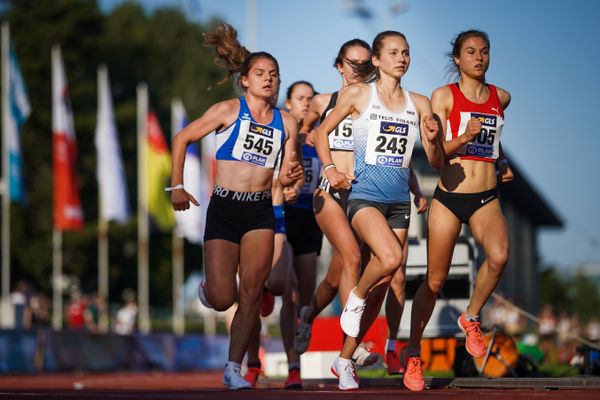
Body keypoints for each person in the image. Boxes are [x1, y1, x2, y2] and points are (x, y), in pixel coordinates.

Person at [170, 22, 302, 390]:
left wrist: (293, 176)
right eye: (260, 74)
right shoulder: (228, 110)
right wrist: (177, 186)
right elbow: (182, 138)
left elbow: (289, 171)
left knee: (252, 292)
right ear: (244, 80)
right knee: (223, 296)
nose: (268, 80)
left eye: (274, 75)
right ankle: (209, 289)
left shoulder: (286, 121)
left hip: (260, 211)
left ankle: (234, 367)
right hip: (225, 209)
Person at [313, 31, 442, 390]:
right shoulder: (358, 94)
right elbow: (322, 133)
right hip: (364, 196)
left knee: (387, 280)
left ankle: (344, 360)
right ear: (376, 59)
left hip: (399, 201)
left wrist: (433, 137)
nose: (402, 58)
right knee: (388, 260)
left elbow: (435, 160)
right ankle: (354, 299)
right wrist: (329, 170)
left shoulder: (419, 103)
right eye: (394, 52)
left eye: (407, 52)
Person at [404, 29, 513, 391]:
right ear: (457, 59)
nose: (479, 57)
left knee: (498, 257)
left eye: (484, 51)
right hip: (449, 196)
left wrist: (503, 161)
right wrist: (463, 137)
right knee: (434, 281)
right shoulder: (444, 97)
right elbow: (435, 159)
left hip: (486, 197)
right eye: (471, 52)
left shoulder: (501, 97)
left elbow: (493, 140)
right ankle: (414, 354)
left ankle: (471, 316)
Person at [293, 39, 379, 367]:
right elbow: (297, 133)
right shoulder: (322, 101)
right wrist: (301, 148)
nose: (357, 70)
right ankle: (351, 346)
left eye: (364, 65)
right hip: (328, 192)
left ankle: (307, 314)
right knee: (354, 256)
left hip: (363, 196)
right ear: (339, 65)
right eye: (351, 63)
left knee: (335, 275)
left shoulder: (375, 105)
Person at [383, 165, 427, 375]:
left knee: (398, 278)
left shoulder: (408, 130)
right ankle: (351, 350)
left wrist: (417, 192)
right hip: (366, 201)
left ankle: (390, 349)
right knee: (362, 276)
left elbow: (406, 163)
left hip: (397, 205)